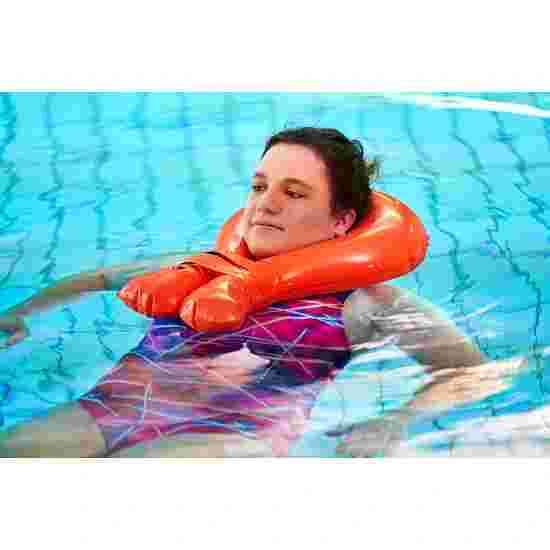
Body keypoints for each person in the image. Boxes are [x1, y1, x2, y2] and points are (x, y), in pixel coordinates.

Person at [0, 127, 489, 458]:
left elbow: (475, 373)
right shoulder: (199, 268)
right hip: (112, 408)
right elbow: (94, 279)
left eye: (293, 193)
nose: (265, 205)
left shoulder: (368, 302)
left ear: (341, 221)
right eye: (259, 187)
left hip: (232, 432)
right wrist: (21, 312)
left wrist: (396, 420)